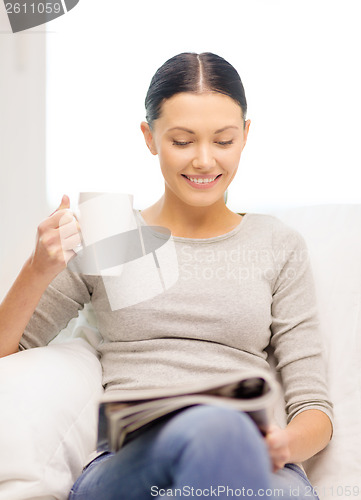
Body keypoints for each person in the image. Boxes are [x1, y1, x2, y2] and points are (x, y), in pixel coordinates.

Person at [0, 52, 333, 499]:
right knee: (207, 427)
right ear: (149, 137)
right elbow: (9, 351)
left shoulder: (276, 244)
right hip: (133, 464)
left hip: (250, 464)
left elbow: (314, 408)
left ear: (246, 135)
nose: (203, 160)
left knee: (223, 437)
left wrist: (280, 444)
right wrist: (36, 270)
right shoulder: (111, 230)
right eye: (181, 141)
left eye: (223, 140)